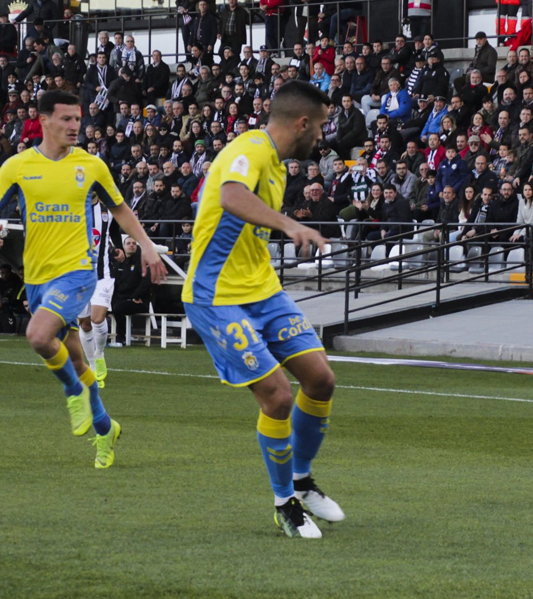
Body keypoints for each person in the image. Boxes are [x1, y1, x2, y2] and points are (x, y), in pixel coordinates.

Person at [182, 81, 342, 539]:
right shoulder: (249, 148)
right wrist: (290, 224)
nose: (322, 136)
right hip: (217, 297)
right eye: (322, 126)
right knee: (277, 395)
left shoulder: (278, 166)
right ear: (303, 123)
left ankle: (302, 480)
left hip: (263, 291)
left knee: (321, 379)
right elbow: (231, 196)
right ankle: (283, 503)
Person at [0, 91, 168, 469]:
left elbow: (121, 208)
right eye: (66, 119)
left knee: (37, 335)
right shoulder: (17, 166)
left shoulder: (91, 165)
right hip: (36, 275)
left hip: (78, 271)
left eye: (78, 119)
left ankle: (72, 393)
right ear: (43, 120)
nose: (74, 126)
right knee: (78, 359)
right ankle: (105, 428)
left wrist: (146, 245)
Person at [78, 198, 121, 389]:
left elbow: (113, 230)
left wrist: (118, 248)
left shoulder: (107, 210)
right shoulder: (73, 209)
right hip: (79, 277)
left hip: (103, 274)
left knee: (97, 318)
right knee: (85, 324)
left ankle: (100, 354)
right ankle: (93, 366)